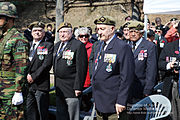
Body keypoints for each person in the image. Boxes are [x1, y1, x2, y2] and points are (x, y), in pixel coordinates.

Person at [92, 16, 135, 120]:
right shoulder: (99, 45)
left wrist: (121, 101)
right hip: (100, 100)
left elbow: (127, 77)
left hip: (114, 102)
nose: (99, 32)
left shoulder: (122, 47)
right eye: (98, 29)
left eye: (102, 29)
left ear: (112, 29)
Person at [0, 2, 29, 119]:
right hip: (2, 90)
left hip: (11, 91)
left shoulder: (18, 40)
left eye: (0, 17)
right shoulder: (3, 39)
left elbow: (21, 67)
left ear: (10, 18)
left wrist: (18, 91)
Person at [53, 22, 88, 120]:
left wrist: (78, 87)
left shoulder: (78, 45)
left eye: (65, 32)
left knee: (72, 115)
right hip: (59, 87)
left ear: (71, 32)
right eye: (60, 32)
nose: (62, 34)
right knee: (61, 114)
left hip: (71, 87)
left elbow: (81, 68)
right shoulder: (57, 45)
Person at [127, 21, 158, 120]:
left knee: (140, 115)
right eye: (130, 31)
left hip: (141, 88)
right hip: (126, 89)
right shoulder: (125, 46)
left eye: (135, 31)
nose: (132, 34)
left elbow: (151, 69)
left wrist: (148, 88)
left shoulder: (149, 46)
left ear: (141, 33)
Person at [26, 21, 53, 120]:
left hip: (40, 85)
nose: (37, 32)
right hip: (28, 85)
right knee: (30, 112)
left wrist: (33, 76)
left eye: (40, 31)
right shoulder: (27, 45)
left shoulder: (48, 46)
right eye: (35, 30)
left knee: (42, 113)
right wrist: (27, 75)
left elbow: (46, 65)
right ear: (31, 33)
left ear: (44, 33)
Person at [158, 22, 180, 120]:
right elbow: (160, 63)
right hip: (173, 84)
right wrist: (169, 65)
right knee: (173, 114)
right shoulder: (169, 46)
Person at [76, 27, 93, 112]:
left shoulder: (92, 48)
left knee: (86, 103)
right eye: (81, 36)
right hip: (76, 79)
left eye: (85, 36)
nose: (83, 38)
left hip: (88, 80)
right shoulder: (75, 47)